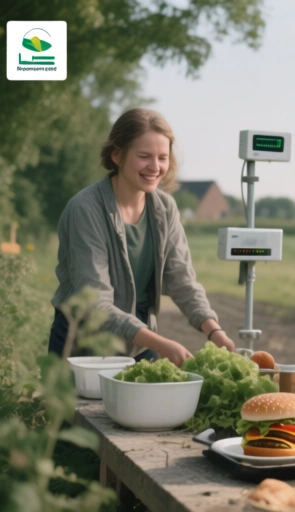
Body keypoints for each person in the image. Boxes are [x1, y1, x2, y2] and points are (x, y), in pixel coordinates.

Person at [48, 108, 236, 366]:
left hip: (138, 345)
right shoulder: (86, 209)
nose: (155, 167)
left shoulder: (165, 208)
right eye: (144, 156)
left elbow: (182, 280)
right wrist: (161, 344)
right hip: (83, 346)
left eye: (162, 157)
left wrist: (214, 330)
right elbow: (95, 301)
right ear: (117, 155)